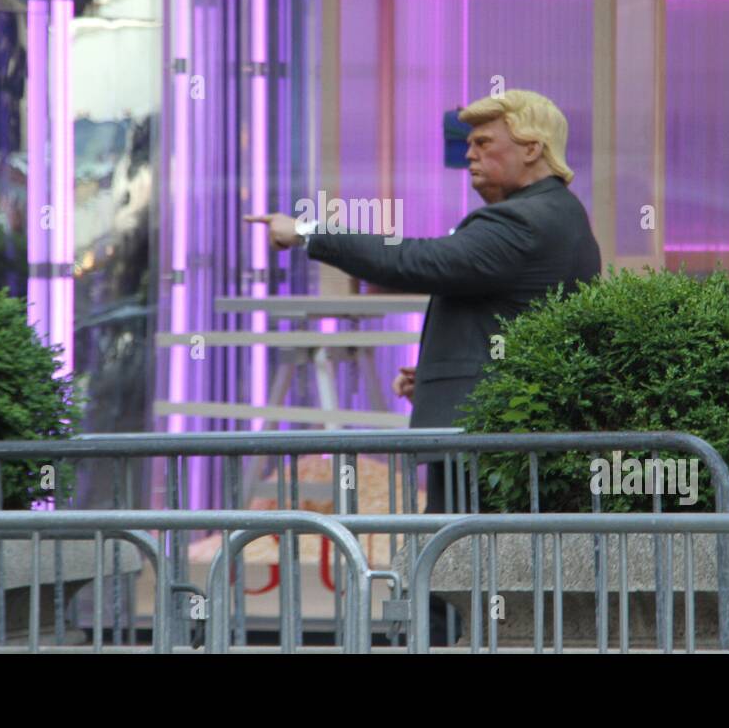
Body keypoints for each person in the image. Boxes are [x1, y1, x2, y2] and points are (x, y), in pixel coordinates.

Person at [246, 89, 601, 512]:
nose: (469, 154)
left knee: (459, 568)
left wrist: (308, 233)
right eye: (468, 144)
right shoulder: (558, 214)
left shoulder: (523, 220)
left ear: (531, 149)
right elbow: (506, 318)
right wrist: (444, 380)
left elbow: (416, 260)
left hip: (488, 446)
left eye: (483, 143)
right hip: (503, 437)